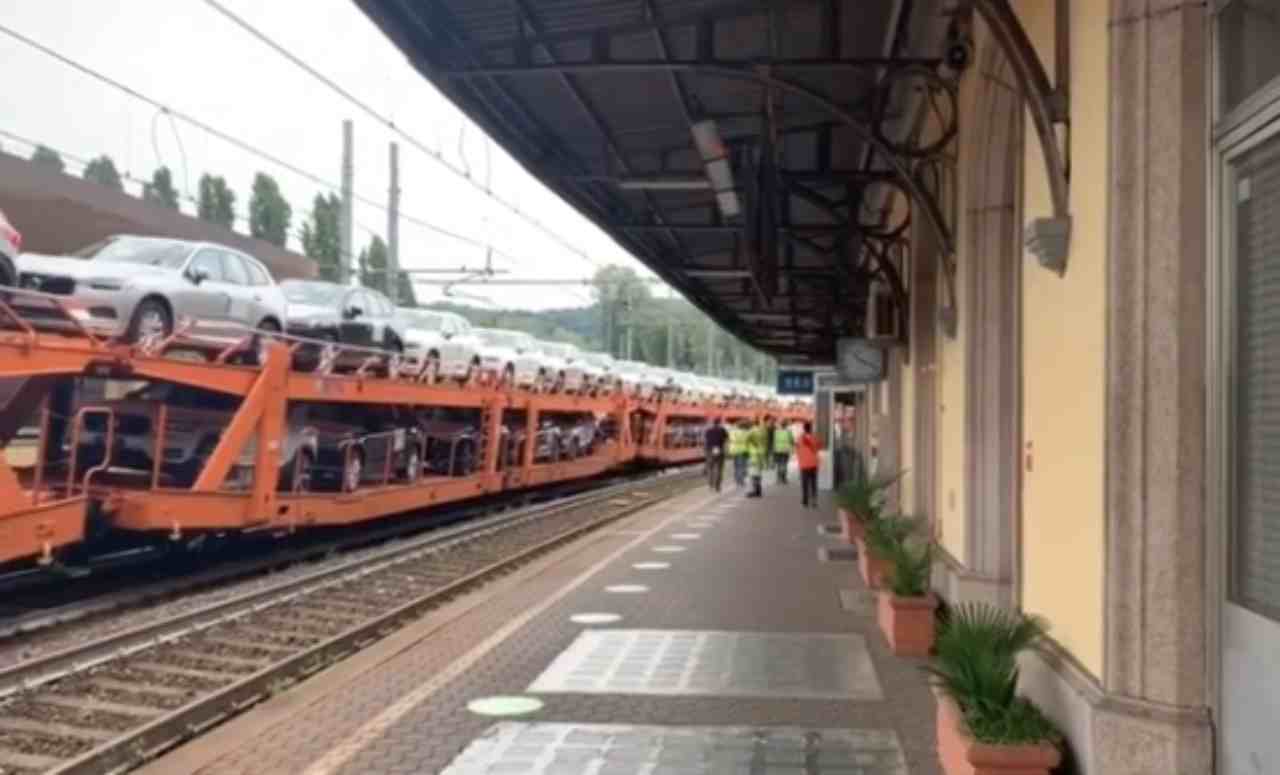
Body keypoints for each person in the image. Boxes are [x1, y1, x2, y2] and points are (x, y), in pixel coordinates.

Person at [796, 421, 820, 508]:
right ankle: (814, 501)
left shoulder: (799, 439)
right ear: (811, 429)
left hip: (804, 464)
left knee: (805, 483)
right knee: (813, 482)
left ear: (804, 429)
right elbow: (818, 447)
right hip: (813, 463)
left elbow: (797, 450)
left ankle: (805, 501)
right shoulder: (815, 438)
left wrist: (800, 460)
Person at [745, 417, 768, 498]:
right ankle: (758, 490)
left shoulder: (751, 431)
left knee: (753, 473)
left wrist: (752, 444)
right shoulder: (763, 431)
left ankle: (755, 491)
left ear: (753, 423)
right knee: (758, 472)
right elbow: (766, 441)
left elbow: (746, 440)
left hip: (753, 454)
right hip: (762, 453)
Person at [703, 418, 728, 492]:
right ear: (719, 423)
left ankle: (711, 485)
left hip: (709, 449)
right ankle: (718, 486)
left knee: (710, 468)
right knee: (719, 469)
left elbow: (705, 440)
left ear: (713, 423)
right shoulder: (722, 430)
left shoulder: (708, 430)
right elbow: (726, 440)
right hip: (719, 449)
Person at [728, 420, 749, 487]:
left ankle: (737, 480)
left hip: (734, 450)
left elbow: (731, 439)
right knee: (741, 466)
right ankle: (741, 481)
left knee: (736, 466)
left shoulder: (733, 432)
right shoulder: (746, 433)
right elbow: (747, 441)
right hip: (742, 450)